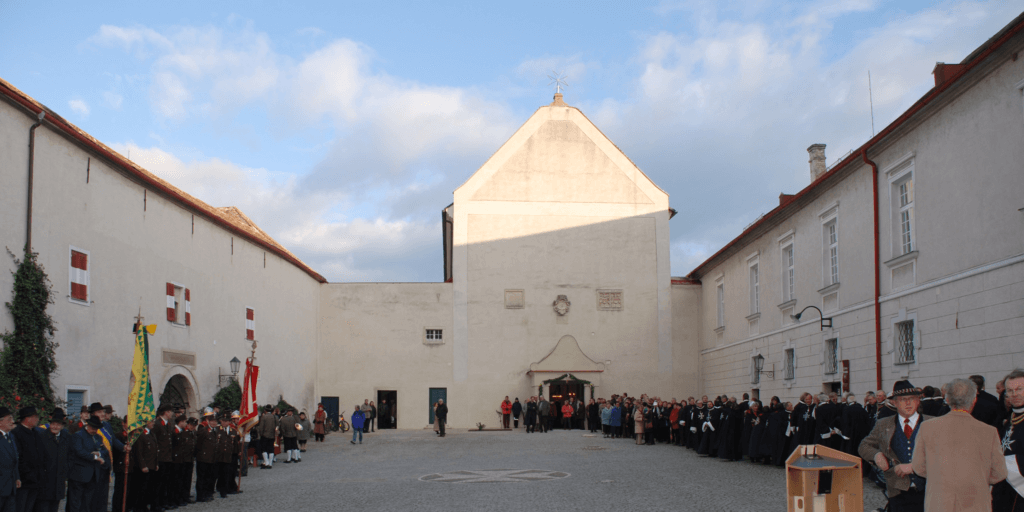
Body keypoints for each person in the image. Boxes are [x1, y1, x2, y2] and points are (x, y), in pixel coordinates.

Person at [910, 378, 1006, 512]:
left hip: (939, 502)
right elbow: (999, 472)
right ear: (974, 400)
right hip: (976, 503)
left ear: (947, 399)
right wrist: (978, 478)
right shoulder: (989, 432)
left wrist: (939, 475)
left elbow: (918, 466)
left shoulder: (927, 427)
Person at [859, 380, 931, 512]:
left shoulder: (933, 423)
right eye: (903, 399)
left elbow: (946, 456)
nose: (908, 403)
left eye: (912, 399)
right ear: (894, 402)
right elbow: (863, 446)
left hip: (930, 490)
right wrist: (876, 455)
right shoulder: (883, 424)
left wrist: (915, 467)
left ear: (918, 401)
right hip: (897, 492)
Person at [995, 368, 1024, 511]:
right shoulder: (1010, 418)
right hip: (1005, 489)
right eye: (1010, 390)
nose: (1014, 394)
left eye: (1019, 389)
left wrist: (999, 462)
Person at [67, 415, 108, 512]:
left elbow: (104, 451)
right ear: (88, 425)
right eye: (93, 428)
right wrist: (95, 457)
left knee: (87, 502)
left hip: (93, 475)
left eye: (96, 428)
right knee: (75, 502)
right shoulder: (78, 435)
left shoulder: (98, 437)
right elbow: (79, 452)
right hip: (79, 475)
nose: (95, 430)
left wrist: (99, 453)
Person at [34, 408, 69, 512]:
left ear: (62, 426)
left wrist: (65, 471)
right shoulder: (42, 437)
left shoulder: (66, 437)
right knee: (43, 507)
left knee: (54, 507)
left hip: (59, 481)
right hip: (44, 481)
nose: (55, 427)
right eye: (53, 424)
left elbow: (70, 456)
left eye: (58, 425)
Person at [10, 406, 43, 512]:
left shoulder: (36, 433)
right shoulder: (16, 433)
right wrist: (28, 474)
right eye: (35, 417)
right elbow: (18, 457)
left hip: (35, 480)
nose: (37, 420)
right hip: (23, 480)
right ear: (28, 418)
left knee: (30, 507)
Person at [129, 418, 158, 512]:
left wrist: (156, 463)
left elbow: (155, 450)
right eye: (151, 421)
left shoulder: (151, 433)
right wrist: (142, 465)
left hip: (151, 464)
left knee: (149, 487)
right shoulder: (140, 434)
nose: (153, 423)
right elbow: (139, 451)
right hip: (144, 466)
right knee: (141, 488)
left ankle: (145, 506)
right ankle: (139, 507)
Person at [152, 404, 175, 510]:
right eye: (170, 411)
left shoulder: (168, 424)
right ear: (166, 412)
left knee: (165, 481)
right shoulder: (157, 424)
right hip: (160, 457)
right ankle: (156, 504)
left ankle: (163, 502)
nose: (172, 414)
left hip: (167, 457)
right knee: (158, 482)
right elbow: (155, 440)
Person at [194, 408, 219, 502]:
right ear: (208, 421)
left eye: (215, 421)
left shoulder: (215, 430)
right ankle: (200, 496)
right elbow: (198, 443)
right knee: (202, 478)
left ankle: (208, 493)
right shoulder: (204, 430)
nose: (214, 423)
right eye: (212, 421)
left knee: (210, 477)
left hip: (212, 458)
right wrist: (199, 455)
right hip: (203, 458)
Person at [0, 407, 19, 512]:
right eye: (9, 419)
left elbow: (14, 459)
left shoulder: (10, 437)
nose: (12, 422)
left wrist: (17, 477)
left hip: (10, 487)